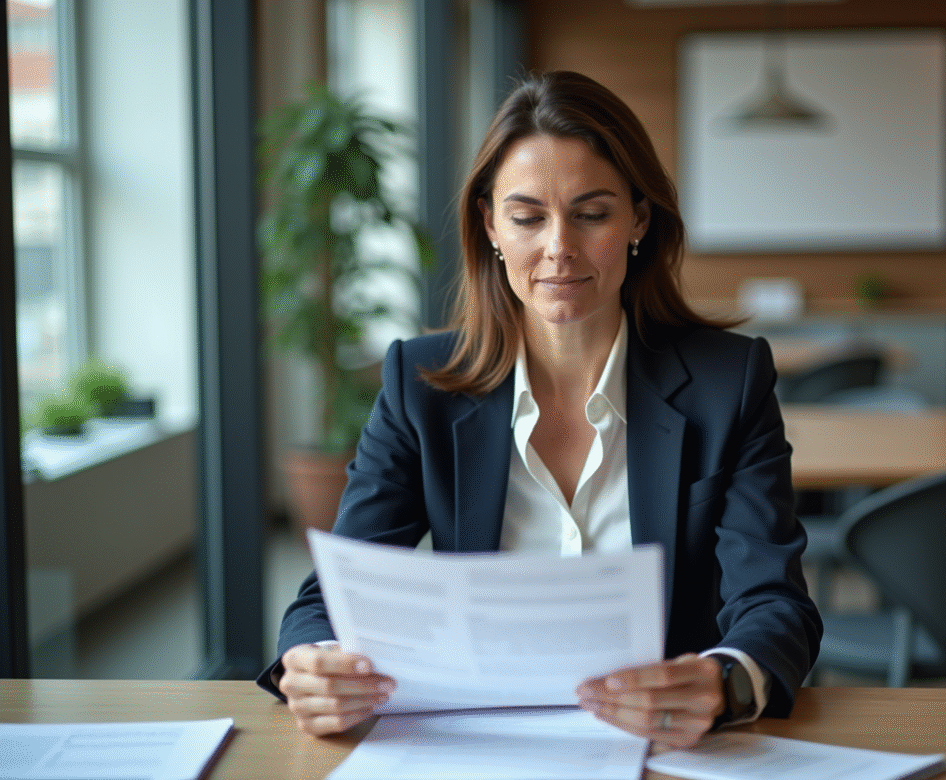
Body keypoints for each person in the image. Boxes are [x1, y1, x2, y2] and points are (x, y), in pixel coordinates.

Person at [257, 70, 821, 750]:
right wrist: (314, 665)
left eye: (592, 214)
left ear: (639, 220)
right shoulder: (421, 384)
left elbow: (774, 602)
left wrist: (724, 682)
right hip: (477, 749)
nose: (559, 248)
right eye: (528, 218)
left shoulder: (728, 381)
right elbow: (332, 594)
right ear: (490, 225)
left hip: (668, 750)